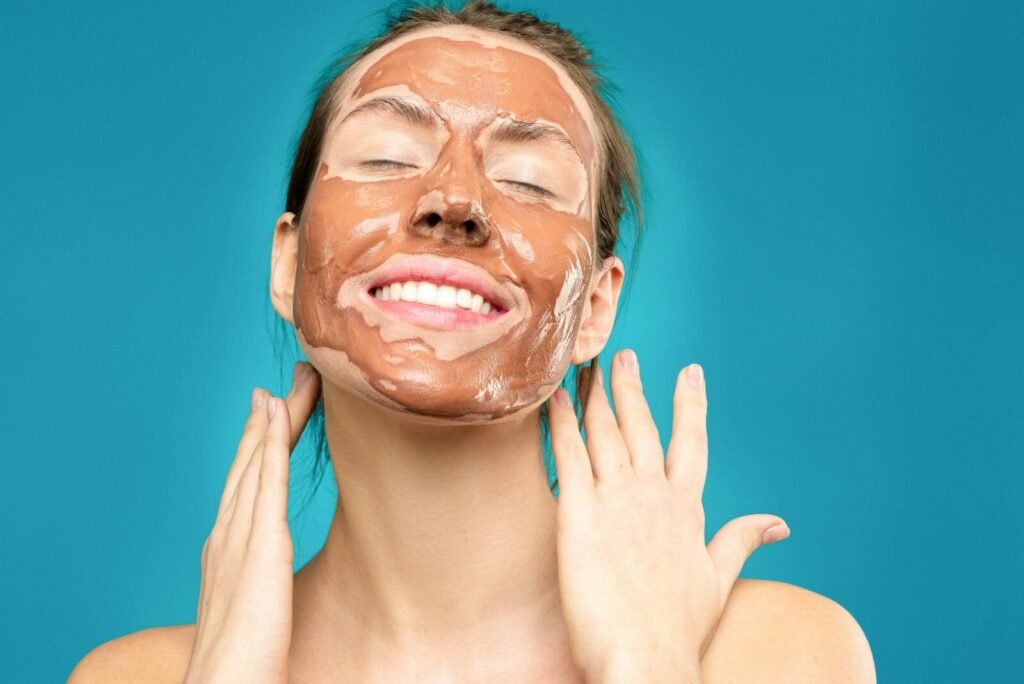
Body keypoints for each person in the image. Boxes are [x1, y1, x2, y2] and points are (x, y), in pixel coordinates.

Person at [70, 1, 875, 681]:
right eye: (387, 157)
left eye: (528, 181)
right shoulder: (134, 677)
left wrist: (646, 662)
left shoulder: (775, 654)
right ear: (287, 263)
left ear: (594, 307)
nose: (453, 199)